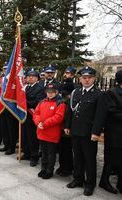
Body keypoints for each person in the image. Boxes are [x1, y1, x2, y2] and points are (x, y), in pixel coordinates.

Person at [64, 66, 102, 196]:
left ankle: (90, 184)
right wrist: (67, 126)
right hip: (75, 131)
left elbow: (100, 116)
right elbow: (70, 110)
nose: (86, 80)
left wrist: (96, 132)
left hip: (89, 133)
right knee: (78, 157)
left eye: (89, 78)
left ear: (94, 79)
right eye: (84, 78)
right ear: (80, 79)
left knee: (89, 159)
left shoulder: (99, 94)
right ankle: (78, 179)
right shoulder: (76, 92)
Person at [92, 70, 122, 194]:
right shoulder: (111, 93)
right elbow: (112, 112)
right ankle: (104, 181)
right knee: (110, 159)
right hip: (114, 133)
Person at [33, 83, 66, 179]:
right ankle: (43, 168)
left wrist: (45, 123)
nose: (50, 94)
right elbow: (36, 113)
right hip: (41, 131)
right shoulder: (41, 102)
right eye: (48, 92)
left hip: (52, 133)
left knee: (51, 153)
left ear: (56, 92)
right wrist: (38, 122)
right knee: (43, 152)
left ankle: (49, 170)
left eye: (52, 92)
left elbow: (58, 117)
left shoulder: (60, 103)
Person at [56, 66, 77, 177]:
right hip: (61, 117)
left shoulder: (74, 86)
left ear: (73, 75)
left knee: (67, 146)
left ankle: (68, 168)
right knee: (61, 146)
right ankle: (62, 165)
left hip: (68, 119)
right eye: (66, 72)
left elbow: (71, 102)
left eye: (69, 73)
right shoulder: (62, 84)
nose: (66, 75)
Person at [23, 68, 46, 166]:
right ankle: (26, 153)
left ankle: (34, 157)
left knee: (33, 138)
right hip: (24, 115)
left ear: (37, 78)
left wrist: (24, 103)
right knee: (25, 136)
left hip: (33, 115)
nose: (30, 78)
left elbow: (38, 102)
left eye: (33, 76)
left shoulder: (40, 88)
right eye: (29, 76)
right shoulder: (26, 87)